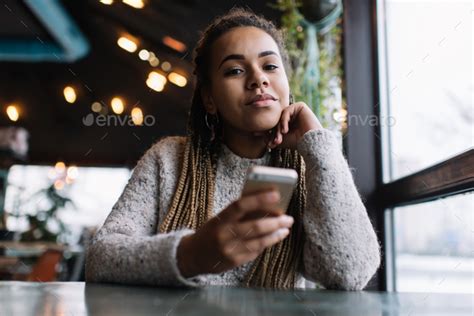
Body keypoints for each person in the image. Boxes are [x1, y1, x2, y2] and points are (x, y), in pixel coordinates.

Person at [85, 7, 380, 289]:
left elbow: (349, 273)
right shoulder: (169, 159)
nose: (258, 79)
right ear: (210, 98)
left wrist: (318, 144)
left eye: (270, 66)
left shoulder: (309, 168)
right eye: (235, 71)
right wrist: (191, 254)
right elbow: (100, 258)